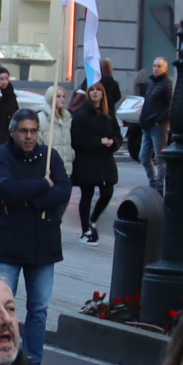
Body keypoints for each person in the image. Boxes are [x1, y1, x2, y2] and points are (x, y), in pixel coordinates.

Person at [0, 107, 70, 365]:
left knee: (39, 308)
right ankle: (0, 358)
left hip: (44, 243)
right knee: (0, 307)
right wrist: (43, 184)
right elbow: (6, 190)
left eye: (33, 131)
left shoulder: (49, 155)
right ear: (12, 132)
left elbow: (64, 189)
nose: (29, 136)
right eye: (24, 131)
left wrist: (34, 199)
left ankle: (33, 363)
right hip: (8, 243)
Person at [69, 78, 121, 244]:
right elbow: (76, 139)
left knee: (107, 192)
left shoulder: (108, 114)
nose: (95, 93)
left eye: (98, 90)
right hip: (87, 161)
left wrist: (113, 142)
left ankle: (93, 219)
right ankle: (85, 230)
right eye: (92, 90)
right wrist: (98, 141)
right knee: (87, 194)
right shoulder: (81, 115)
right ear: (88, 94)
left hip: (105, 161)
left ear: (103, 94)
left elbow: (117, 134)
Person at [136, 56, 172, 189]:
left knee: (160, 158)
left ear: (165, 68)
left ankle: (160, 186)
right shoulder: (152, 81)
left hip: (158, 126)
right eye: (154, 65)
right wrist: (142, 118)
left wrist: (159, 120)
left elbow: (170, 105)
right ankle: (153, 181)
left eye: (159, 66)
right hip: (147, 123)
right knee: (144, 157)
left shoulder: (167, 83)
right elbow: (147, 102)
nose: (156, 68)